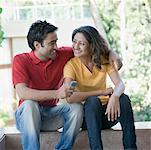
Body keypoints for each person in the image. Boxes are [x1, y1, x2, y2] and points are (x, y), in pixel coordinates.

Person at [12, 20, 122, 150]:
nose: (56, 47)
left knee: (76, 108)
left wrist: (112, 54)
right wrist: (57, 93)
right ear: (37, 45)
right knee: (30, 104)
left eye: (56, 41)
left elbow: (92, 47)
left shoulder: (61, 55)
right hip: (26, 118)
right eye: (52, 43)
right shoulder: (21, 60)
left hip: (51, 116)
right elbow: (23, 93)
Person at [63, 26, 137, 150]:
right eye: (74, 41)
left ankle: (130, 148)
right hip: (87, 118)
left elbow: (120, 84)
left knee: (124, 99)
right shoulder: (71, 66)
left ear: (92, 45)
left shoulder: (103, 60)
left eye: (82, 43)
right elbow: (70, 98)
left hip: (108, 114)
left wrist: (114, 96)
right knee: (92, 101)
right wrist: (102, 92)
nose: (76, 46)